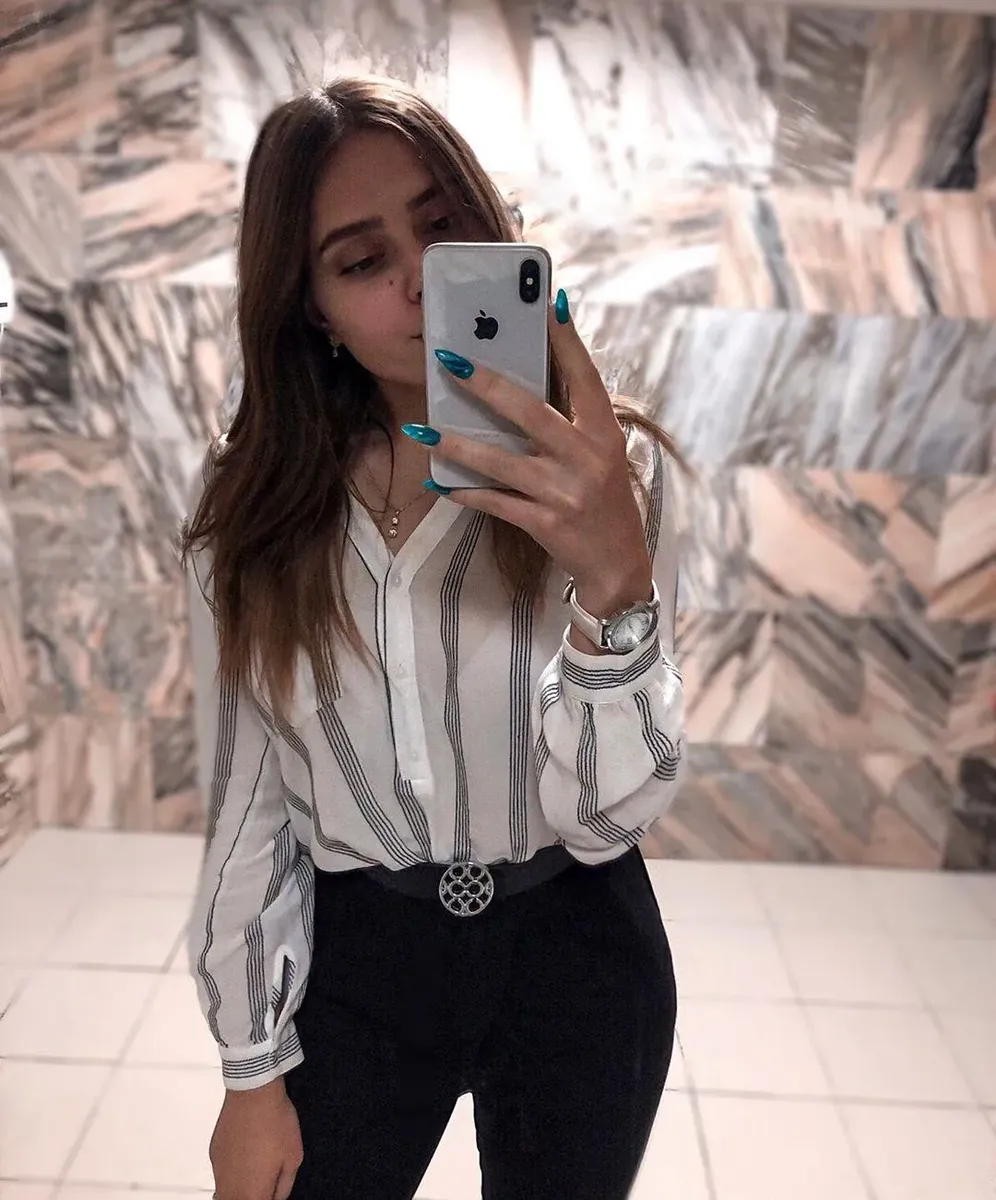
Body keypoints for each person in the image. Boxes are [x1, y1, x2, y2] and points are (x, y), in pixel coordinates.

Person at [180, 74, 685, 1200]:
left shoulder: (608, 474)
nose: (417, 279)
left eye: (444, 226)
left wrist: (615, 578)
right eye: (363, 260)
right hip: (358, 957)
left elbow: (609, 819)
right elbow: (248, 790)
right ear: (312, 305)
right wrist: (249, 1069)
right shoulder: (257, 508)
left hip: (578, 949)